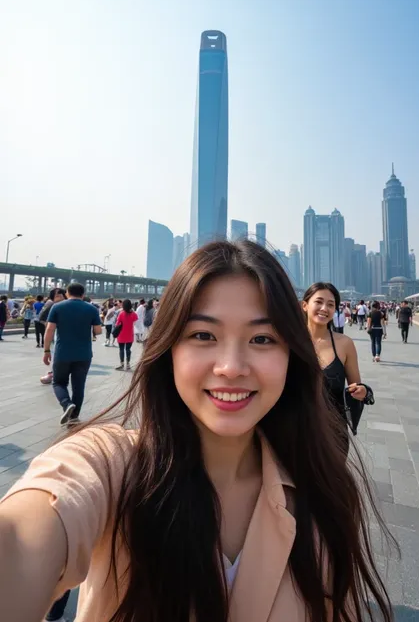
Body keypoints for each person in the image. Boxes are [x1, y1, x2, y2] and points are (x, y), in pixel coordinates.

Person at [0, 240, 393, 622]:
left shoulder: (323, 492)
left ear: (291, 354)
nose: (231, 367)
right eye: (203, 335)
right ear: (168, 347)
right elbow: (27, 532)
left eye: (262, 339)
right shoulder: (114, 468)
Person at [302, 282, 374, 450]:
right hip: (293, 431)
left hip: (333, 433)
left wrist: (362, 391)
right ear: (305, 305)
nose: (324, 308)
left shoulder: (344, 343)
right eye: (318, 302)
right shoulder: (289, 341)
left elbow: (356, 385)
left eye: (330, 304)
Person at [43, 283, 102, 425]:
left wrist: (46, 350)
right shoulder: (92, 308)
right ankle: (74, 417)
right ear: (83, 294)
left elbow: (50, 329)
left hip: (63, 353)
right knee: (78, 386)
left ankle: (66, 403)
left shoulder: (57, 307)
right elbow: (98, 330)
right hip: (84, 355)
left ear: (67, 293)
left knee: (58, 382)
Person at [38, 289, 67, 385]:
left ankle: (55, 373)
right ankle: (53, 373)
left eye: (62, 294)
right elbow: (41, 317)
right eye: (58, 295)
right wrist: (50, 327)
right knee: (55, 352)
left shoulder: (67, 305)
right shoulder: (52, 305)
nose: (61, 296)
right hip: (56, 335)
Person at [115, 299, 138, 371]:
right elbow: (135, 323)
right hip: (129, 334)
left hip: (121, 334)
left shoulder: (121, 313)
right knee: (128, 349)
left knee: (121, 349)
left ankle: (122, 365)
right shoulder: (134, 314)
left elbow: (117, 324)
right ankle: (128, 364)